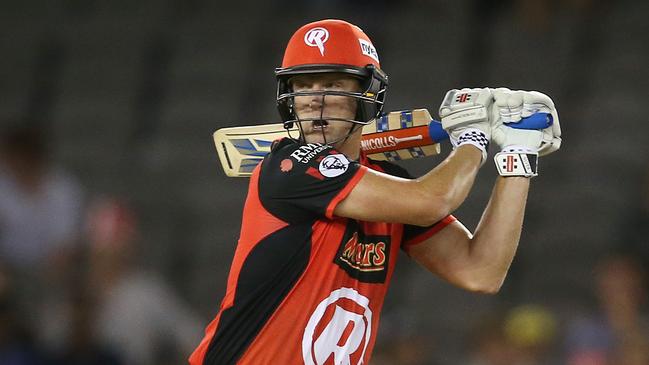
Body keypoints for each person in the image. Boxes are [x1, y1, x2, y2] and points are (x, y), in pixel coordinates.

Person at [189, 19, 561, 364]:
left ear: (366, 93)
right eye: (303, 85)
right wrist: (473, 141)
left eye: (333, 84)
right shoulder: (290, 168)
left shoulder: (386, 185)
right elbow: (433, 200)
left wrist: (516, 157)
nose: (315, 101)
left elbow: (480, 271)